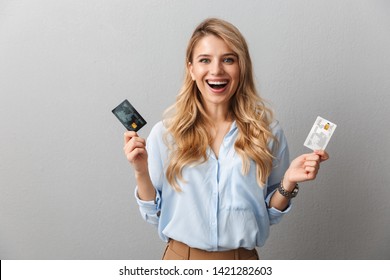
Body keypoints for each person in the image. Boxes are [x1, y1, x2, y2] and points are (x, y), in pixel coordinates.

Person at [123, 18, 329, 260]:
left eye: (228, 59)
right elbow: (153, 213)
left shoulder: (267, 133)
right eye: (205, 60)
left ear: (241, 67)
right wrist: (140, 171)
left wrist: (289, 181)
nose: (216, 70)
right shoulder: (165, 134)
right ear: (191, 69)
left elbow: (270, 214)